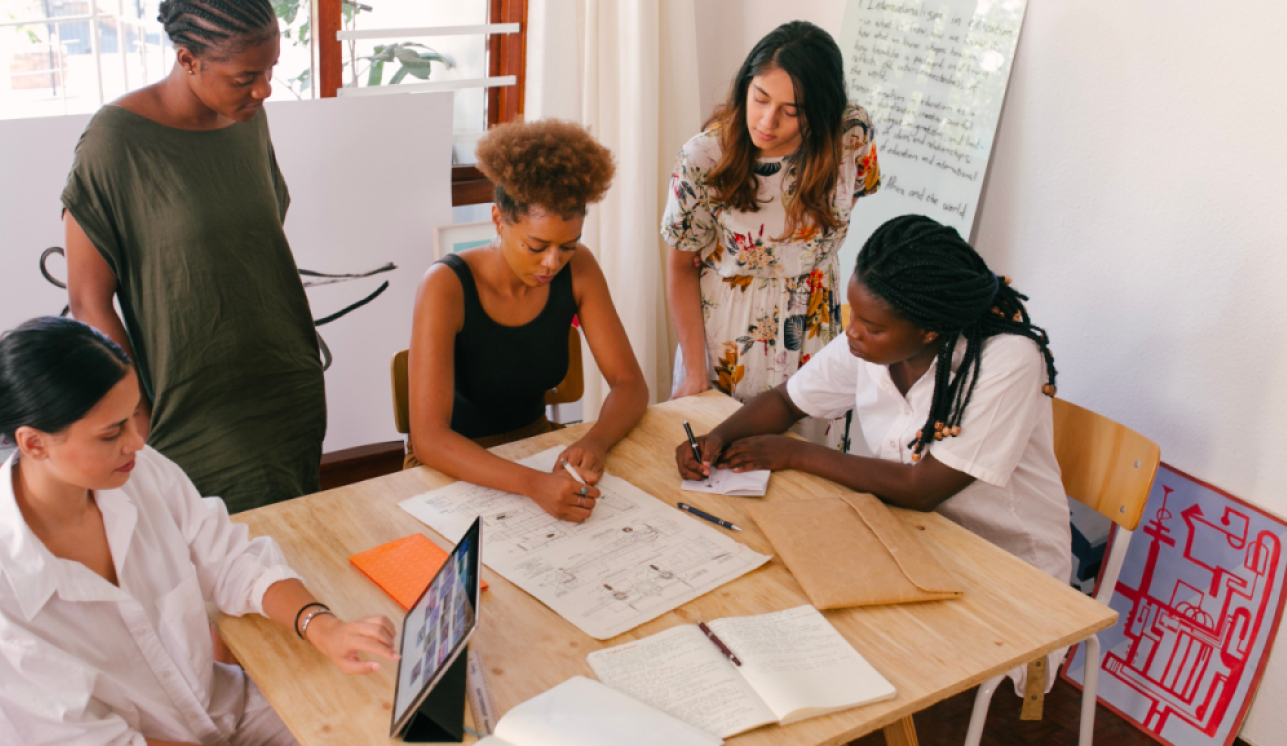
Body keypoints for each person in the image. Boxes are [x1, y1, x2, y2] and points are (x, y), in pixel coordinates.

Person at [676, 215, 1072, 693]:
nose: (854, 333)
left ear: (928, 331)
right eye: (853, 316)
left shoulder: (1005, 362)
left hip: (1002, 564)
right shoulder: (870, 345)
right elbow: (786, 401)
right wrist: (715, 438)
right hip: (912, 536)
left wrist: (796, 455)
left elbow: (921, 487)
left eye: (871, 326)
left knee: (841, 647)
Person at [0, 317, 398, 746]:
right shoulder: (7, 588)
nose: (136, 442)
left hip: (230, 711)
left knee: (383, 718)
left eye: (133, 416)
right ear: (34, 443)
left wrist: (322, 626)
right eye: (111, 433)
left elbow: (228, 559)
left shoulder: (139, 471)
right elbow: (87, 737)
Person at [63, 0, 325, 513]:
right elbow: (88, 300)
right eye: (246, 75)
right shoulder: (115, 142)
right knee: (217, 565)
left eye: (271, 69)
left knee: (296, 547)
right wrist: (137, 413)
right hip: (190, 403)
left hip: (285, 382)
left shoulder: (246, 116)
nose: (264, 89)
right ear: (188, 60)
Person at [407, 119, 649, 523]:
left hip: (535, 450)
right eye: (536, 247)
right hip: (452, 467)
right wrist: (534, 485)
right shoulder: (445, 285)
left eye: (567, 247)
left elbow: (630, 384)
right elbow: (429, 440)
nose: (552, 263)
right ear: (499, 220)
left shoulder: (580, 269)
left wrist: (596, 440)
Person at [663, 20, 881, 447]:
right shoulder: (704, 157)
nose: (766, 120)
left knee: (810, 474)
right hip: (730, 336)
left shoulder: (850, 135)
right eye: (759, 98)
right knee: (721, 465)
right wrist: (693, 370)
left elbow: (844, 209)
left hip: (816, 329)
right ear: (745, 85)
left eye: (791, 110)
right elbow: (679, 267)